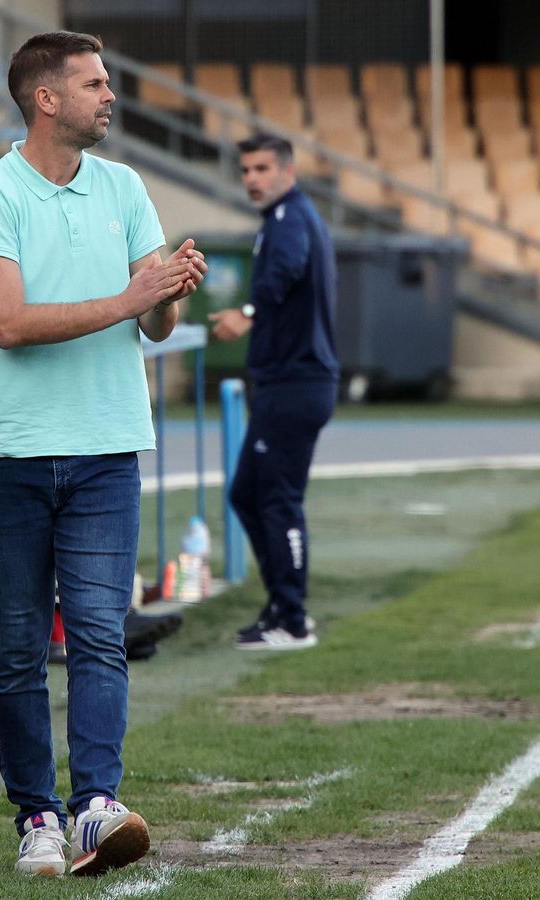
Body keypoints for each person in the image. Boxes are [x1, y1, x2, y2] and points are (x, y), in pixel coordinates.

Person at [0, 30, 205, 878]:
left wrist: (166, 293)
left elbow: (150, 321)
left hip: (106, 447)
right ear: (46, 99)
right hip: (14, 454)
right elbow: (12, 325)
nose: (111, 96)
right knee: (20, 645)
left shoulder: (126, 186)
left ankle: (96, 805)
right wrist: (133, 294)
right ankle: (37, 817)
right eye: (95, 83)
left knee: (99, 633)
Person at [208, 134, 339, 651]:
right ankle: (282, 604)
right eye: (245, 170)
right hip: (290, 382)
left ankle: (294, 619)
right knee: (246, 494)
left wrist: (246, 313)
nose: (252, 179)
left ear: (287, 170)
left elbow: (285, 270)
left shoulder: (289, 222)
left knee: (279, 500)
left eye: (262, 168)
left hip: (296, 382)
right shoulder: (286, 220)